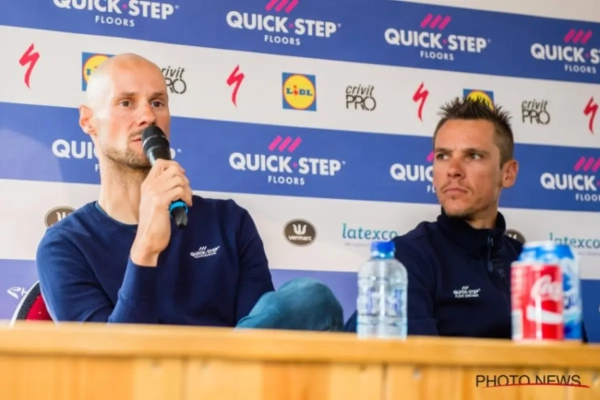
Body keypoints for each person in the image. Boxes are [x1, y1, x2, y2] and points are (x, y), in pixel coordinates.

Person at [36, 53, 343, 331]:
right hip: (143, 376)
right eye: (126, 103)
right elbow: (111, 364)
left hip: (236, 374)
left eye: (157, 103)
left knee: (310, 298)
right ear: (88, 121)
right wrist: (146, 249)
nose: (148, 117)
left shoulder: (229, 221)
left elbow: (259, 340)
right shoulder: (65, 245)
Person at [344, 97, 588, 342]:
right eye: (443, 156)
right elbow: (418, 364)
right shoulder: (408, 258)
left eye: (473, 156)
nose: (453, 170)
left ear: (508, 173)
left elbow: (575, 361)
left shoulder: (535, 267)